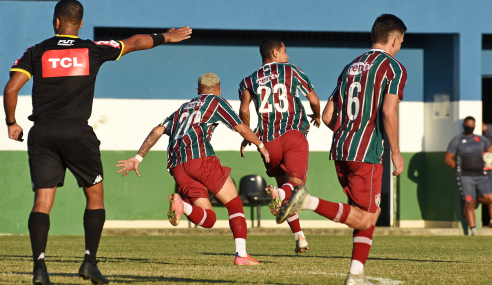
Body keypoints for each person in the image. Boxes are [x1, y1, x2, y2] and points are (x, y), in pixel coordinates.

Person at [2, 0, 192, 284]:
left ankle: (40, 268)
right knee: (95, 196)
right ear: (79, 24)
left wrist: (11, 123)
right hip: (77, 132)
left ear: (56, 22)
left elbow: (11, 89)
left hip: (41, 133)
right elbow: (135, 42)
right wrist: (167, 36)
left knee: (42, 200)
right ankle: (89, 262)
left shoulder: (36, 51)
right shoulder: (91, 49)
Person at [276, 14, 407, 285]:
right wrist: (395, 150)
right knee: (367, 217)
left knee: (365, 214)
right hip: (367, 151)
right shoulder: (392, 68)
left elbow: (326, 116)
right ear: (395, 39)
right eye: (401, 42)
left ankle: (355, 275)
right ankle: (307, 202)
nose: (400, 46)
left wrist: (349, 133)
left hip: (341, 148)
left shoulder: (351, 66)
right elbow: (388, 110)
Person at [116, 73, 268, 265]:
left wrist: (138, 157)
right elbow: (240, 127)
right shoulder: (216, 101)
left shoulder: (183, 108)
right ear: (219, 90)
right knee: (234, 204)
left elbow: (157, 130)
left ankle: (183, 206)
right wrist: (261, 145)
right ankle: (241, 256)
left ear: (197, 91)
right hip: (200, 159)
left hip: (177, 166)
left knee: (210, 219)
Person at [238, 37, 321, 253]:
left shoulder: (248, 81)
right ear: (275, 53)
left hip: (268, 142)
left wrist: (247, 135)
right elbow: (313, 99)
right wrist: (318, 116)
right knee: (295, 188)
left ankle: (299, 237)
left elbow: (244, 111)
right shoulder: (291, 70)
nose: (288, 56)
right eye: (285, 51)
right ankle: (280, 195)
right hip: (293, 135)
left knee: (285, 187)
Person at [445, 117, 492, 234]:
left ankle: (470, 202)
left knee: (489, 198)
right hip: (465, 176)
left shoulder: (481, 139)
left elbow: (490, 151)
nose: (469, 127)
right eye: (467, 125)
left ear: (475, 126)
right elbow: (448, 159)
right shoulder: (457, 140)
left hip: (481, 175)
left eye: (472, 126)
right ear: (463, 125)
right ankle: (473, 230)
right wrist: (459, 167)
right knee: (468, 201)